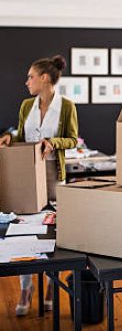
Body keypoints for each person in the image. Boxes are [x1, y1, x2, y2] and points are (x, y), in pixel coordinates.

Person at [0, 55, 78, 316]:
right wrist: (9, 138)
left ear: (45, 78)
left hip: (54, 175)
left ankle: (49, 284)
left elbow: (73, 139)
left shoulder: (66, 106)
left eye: (31, 77)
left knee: (51, 232)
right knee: (23, 231)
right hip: (27, 176)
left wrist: (53, 142)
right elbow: (21, 136)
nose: (26, 82)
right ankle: (26, 287)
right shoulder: (26, 106)